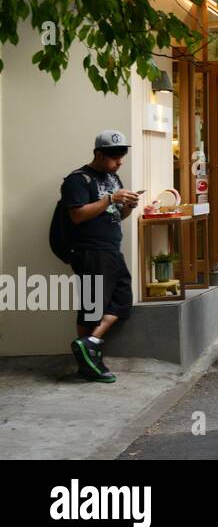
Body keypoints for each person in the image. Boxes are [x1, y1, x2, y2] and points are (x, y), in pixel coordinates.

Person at [64, 131, 140, 383]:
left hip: (110, 248)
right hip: (89, 250)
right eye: (115, 156)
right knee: (92, 306)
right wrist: (110, 198)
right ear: (98, 153)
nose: (120, 161)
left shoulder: (113, 177)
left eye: (123, 155)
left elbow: (117, 216)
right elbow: (77, 215)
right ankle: (88, 361)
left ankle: (89, 344)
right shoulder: (78, 180)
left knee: (121, 299)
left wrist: (127, 206)